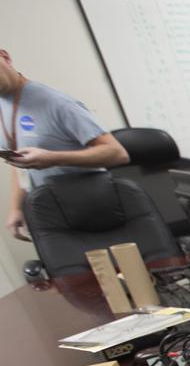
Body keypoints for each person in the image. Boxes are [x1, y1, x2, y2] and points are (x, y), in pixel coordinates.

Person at [1, 48, 129, 241]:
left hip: (90, 207)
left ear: (5, 57)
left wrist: (52, 158)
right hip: (48, 210)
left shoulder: (56, 103)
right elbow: (19, 159)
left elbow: (117, 153)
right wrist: (16, 207)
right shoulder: (3, 105)